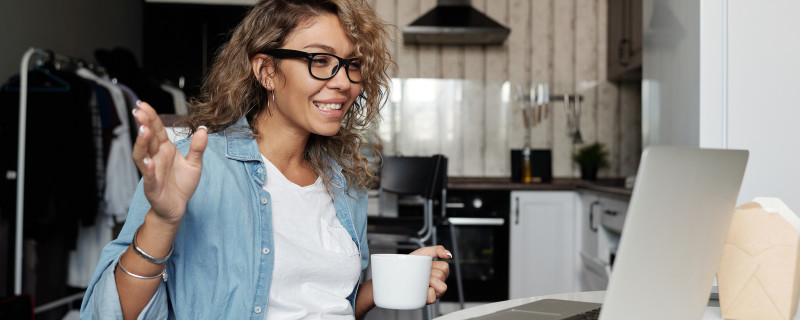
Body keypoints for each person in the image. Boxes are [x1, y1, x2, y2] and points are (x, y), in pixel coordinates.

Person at [80, 0, 451, 318]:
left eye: (352, 64)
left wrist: (387, 285)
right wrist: (162, 220)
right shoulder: (195, 169)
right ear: (267, 71)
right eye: (320, 60)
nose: (344, 82)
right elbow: (106, 313)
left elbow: (326, 304)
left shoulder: (344, 182)